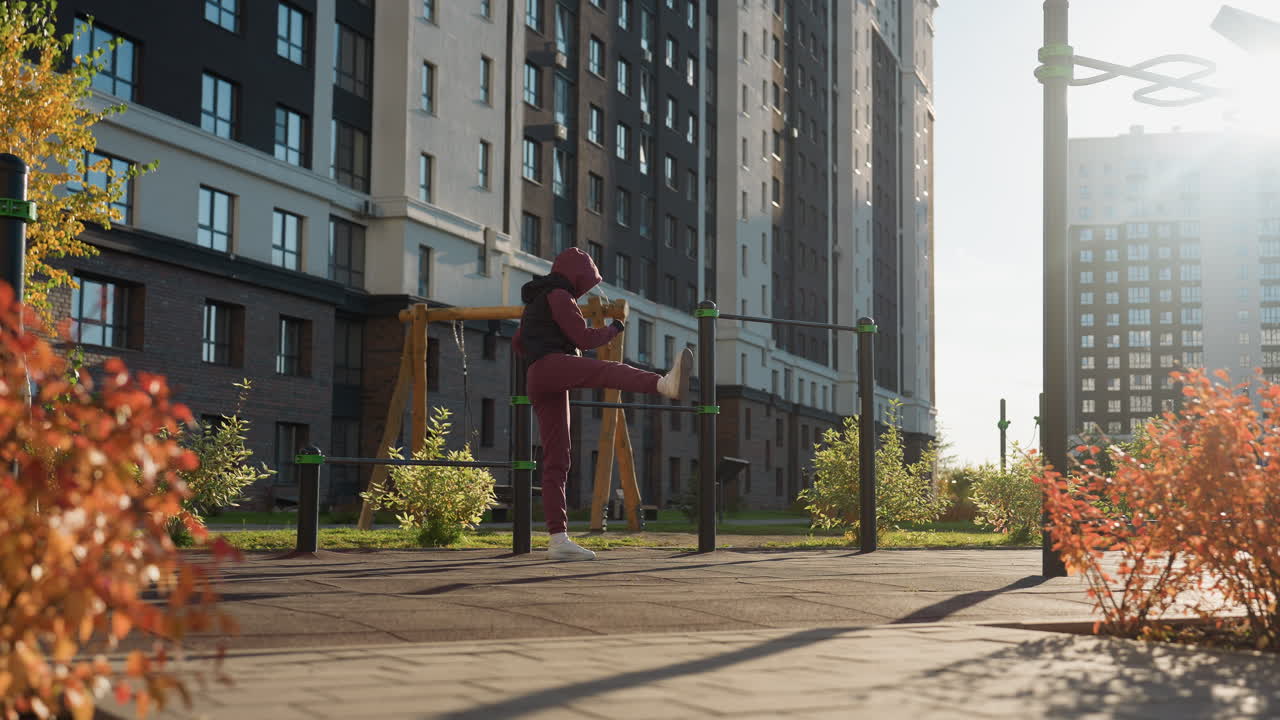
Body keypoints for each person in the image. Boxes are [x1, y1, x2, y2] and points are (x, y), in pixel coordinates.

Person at [513, 248, 692, 561]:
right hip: (553, 366)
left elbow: (518, 343)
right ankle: (663, 384)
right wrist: (615, 328)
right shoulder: (559, 295)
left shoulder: (536, 301)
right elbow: (584, 339)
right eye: (586, 280)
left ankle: (558, 539)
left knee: (558, 457)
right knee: (609, 370)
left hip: (536, 376)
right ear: (577, 276)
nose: (586, 287)